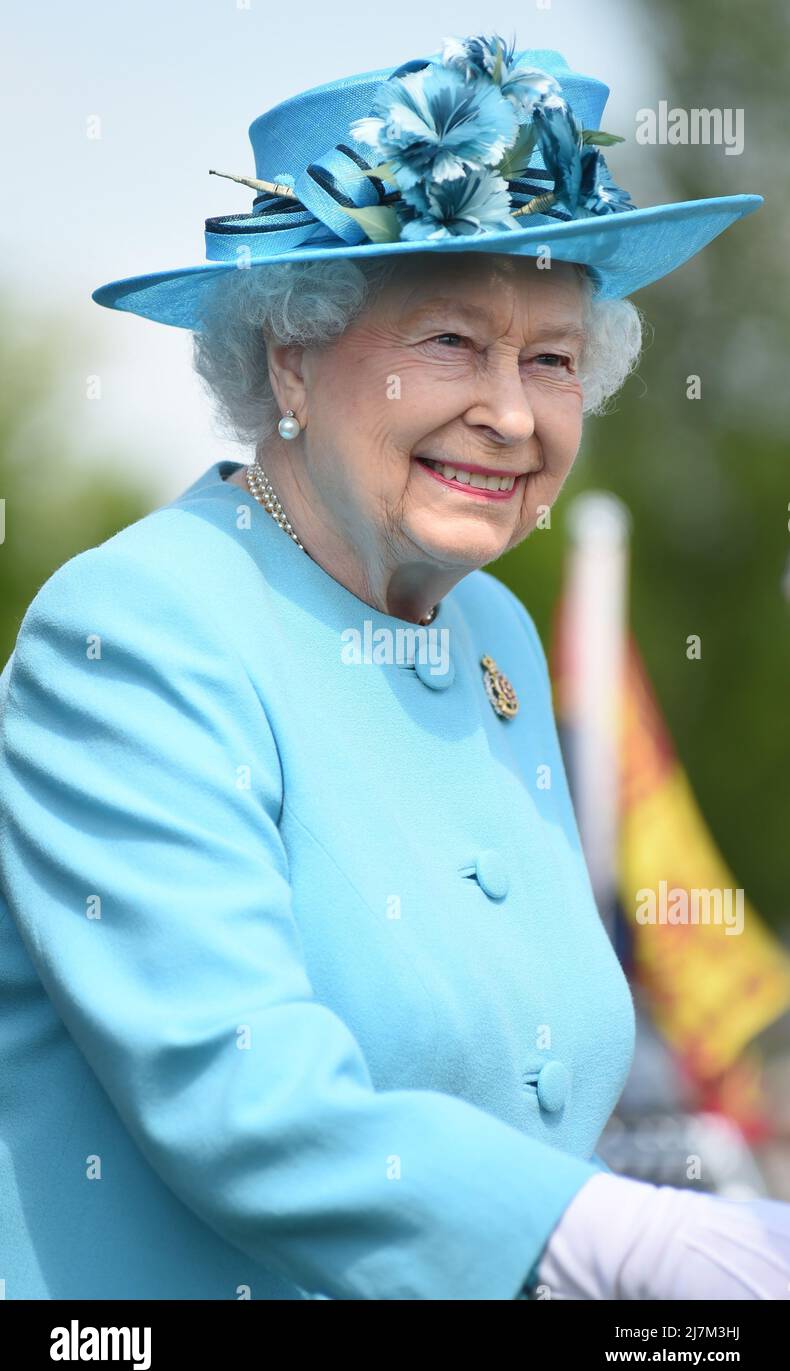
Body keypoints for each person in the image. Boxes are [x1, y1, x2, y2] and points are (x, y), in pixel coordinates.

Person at [1, 32, 787, 1300]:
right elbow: (241, 1094)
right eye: (448, 341)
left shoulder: (501, 641)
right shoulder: (133, 630)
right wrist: (597, 1239)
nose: (514, 414)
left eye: (550, 358)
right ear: (290, 355)